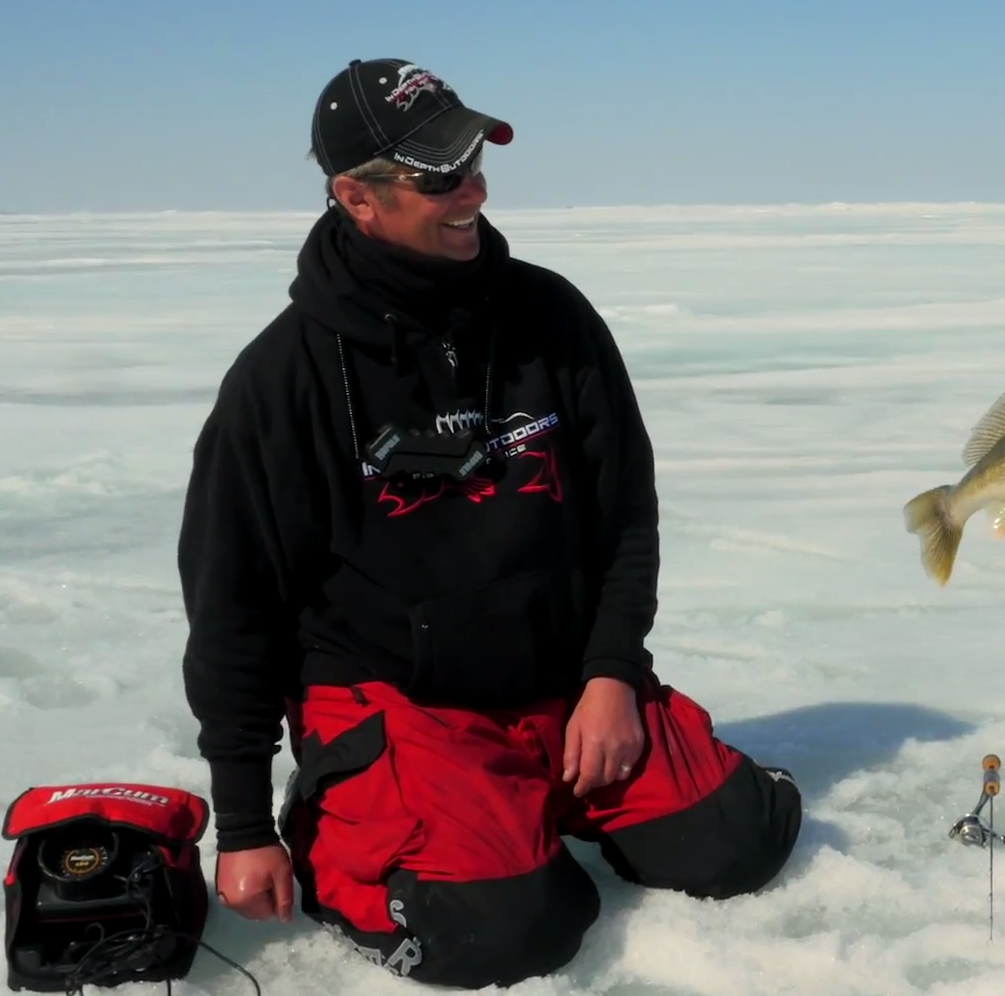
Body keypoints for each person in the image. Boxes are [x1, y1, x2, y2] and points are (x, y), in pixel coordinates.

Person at [178, 57, 802, 989]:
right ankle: (347, 823)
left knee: (737, 843)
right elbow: (233, 606)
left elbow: (625, 516)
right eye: (439, 177)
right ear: (356, 196)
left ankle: (530, 800)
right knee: (506, 931)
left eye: (474, 160)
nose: (473, 189)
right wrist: (242, 825)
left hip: (561, 683)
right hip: (400, 697)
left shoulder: (550, 316)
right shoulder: (282, 380)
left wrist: (610, 675)